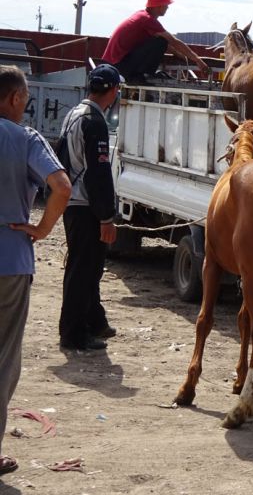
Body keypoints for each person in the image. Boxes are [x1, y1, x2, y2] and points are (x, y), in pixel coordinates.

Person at [0, 66, 72, 476]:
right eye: (25, 99)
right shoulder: (25, 138)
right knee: (3, 358)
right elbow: (61, 186)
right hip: (9, 260)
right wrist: (42, 229)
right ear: (13, 99)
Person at [58, 65, 122, 351]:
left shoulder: (73, 114)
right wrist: (106, 216)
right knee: (83, 271)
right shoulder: (94, 122)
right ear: (112, 91)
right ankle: (74, 334)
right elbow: (99, 173)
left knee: (86, 268)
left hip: (73, 202)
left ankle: (94, 322)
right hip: (86, 207)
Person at [101, 0, 209, 84]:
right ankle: (142, 75)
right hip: (119, 66)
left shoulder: (142, 15)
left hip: (114, 64)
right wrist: (198, 60)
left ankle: (140, 74)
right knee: (161, 41)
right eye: (166, 4)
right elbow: (173, 41)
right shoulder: (148, 20)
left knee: (161, 41)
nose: (167, 7)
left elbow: (165, 44)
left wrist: (180, 55)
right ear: (159, 5)